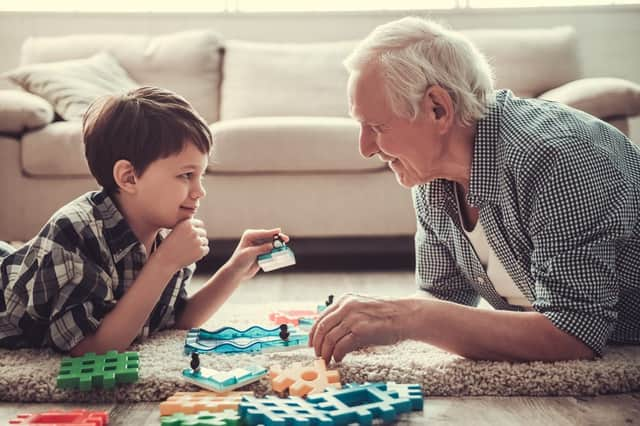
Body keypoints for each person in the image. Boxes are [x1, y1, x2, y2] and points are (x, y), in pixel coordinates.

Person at [309, 17, 640, 363]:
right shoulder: (430, 177)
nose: (365, 148)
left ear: (438, 109)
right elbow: (443, 298)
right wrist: (376, 318)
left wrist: (404, 315)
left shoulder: (553, 158)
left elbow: (574, 334)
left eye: (377, 126)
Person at [0, 86, 287, 355]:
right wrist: (163, 263)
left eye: (201, 175)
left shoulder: (164, 232)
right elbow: (91, 347)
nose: (200, 191)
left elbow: (177, 318)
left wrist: (235, 268)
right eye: (186, 175)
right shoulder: (76, 231)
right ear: (129, 177)